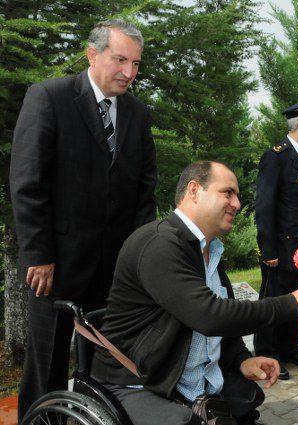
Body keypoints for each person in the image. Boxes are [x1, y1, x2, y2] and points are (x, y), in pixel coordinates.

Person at [91, 161, 298, 425]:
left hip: (188, 381)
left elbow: (225, 317)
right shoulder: (159, 243)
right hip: (140, 382)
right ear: (194, 190)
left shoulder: (210, 249)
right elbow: (210, 315)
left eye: (237, 195)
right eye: (227, 192)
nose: (237, 204)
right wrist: (291, 305)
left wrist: (241, 360)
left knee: (247, 402)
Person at [9, 19, 157, 420]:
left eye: (136, 64)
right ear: (93, 55)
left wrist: (141, 262)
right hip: (54, 269)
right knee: (47, 372)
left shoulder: (138, 115)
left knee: (105, 370)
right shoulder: (50, 97)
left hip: (114, 275)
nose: (129, 72)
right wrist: (38, 254)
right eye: (120, 60)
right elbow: (27, 183)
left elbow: (145, 196)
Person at [253, 98, 298, 380]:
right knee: (274, 302)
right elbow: (265, 206)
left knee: (296, 300)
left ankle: (290, 347)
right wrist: (267, 248)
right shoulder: (276, 157)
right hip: (281, 247)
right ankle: (269, 354)